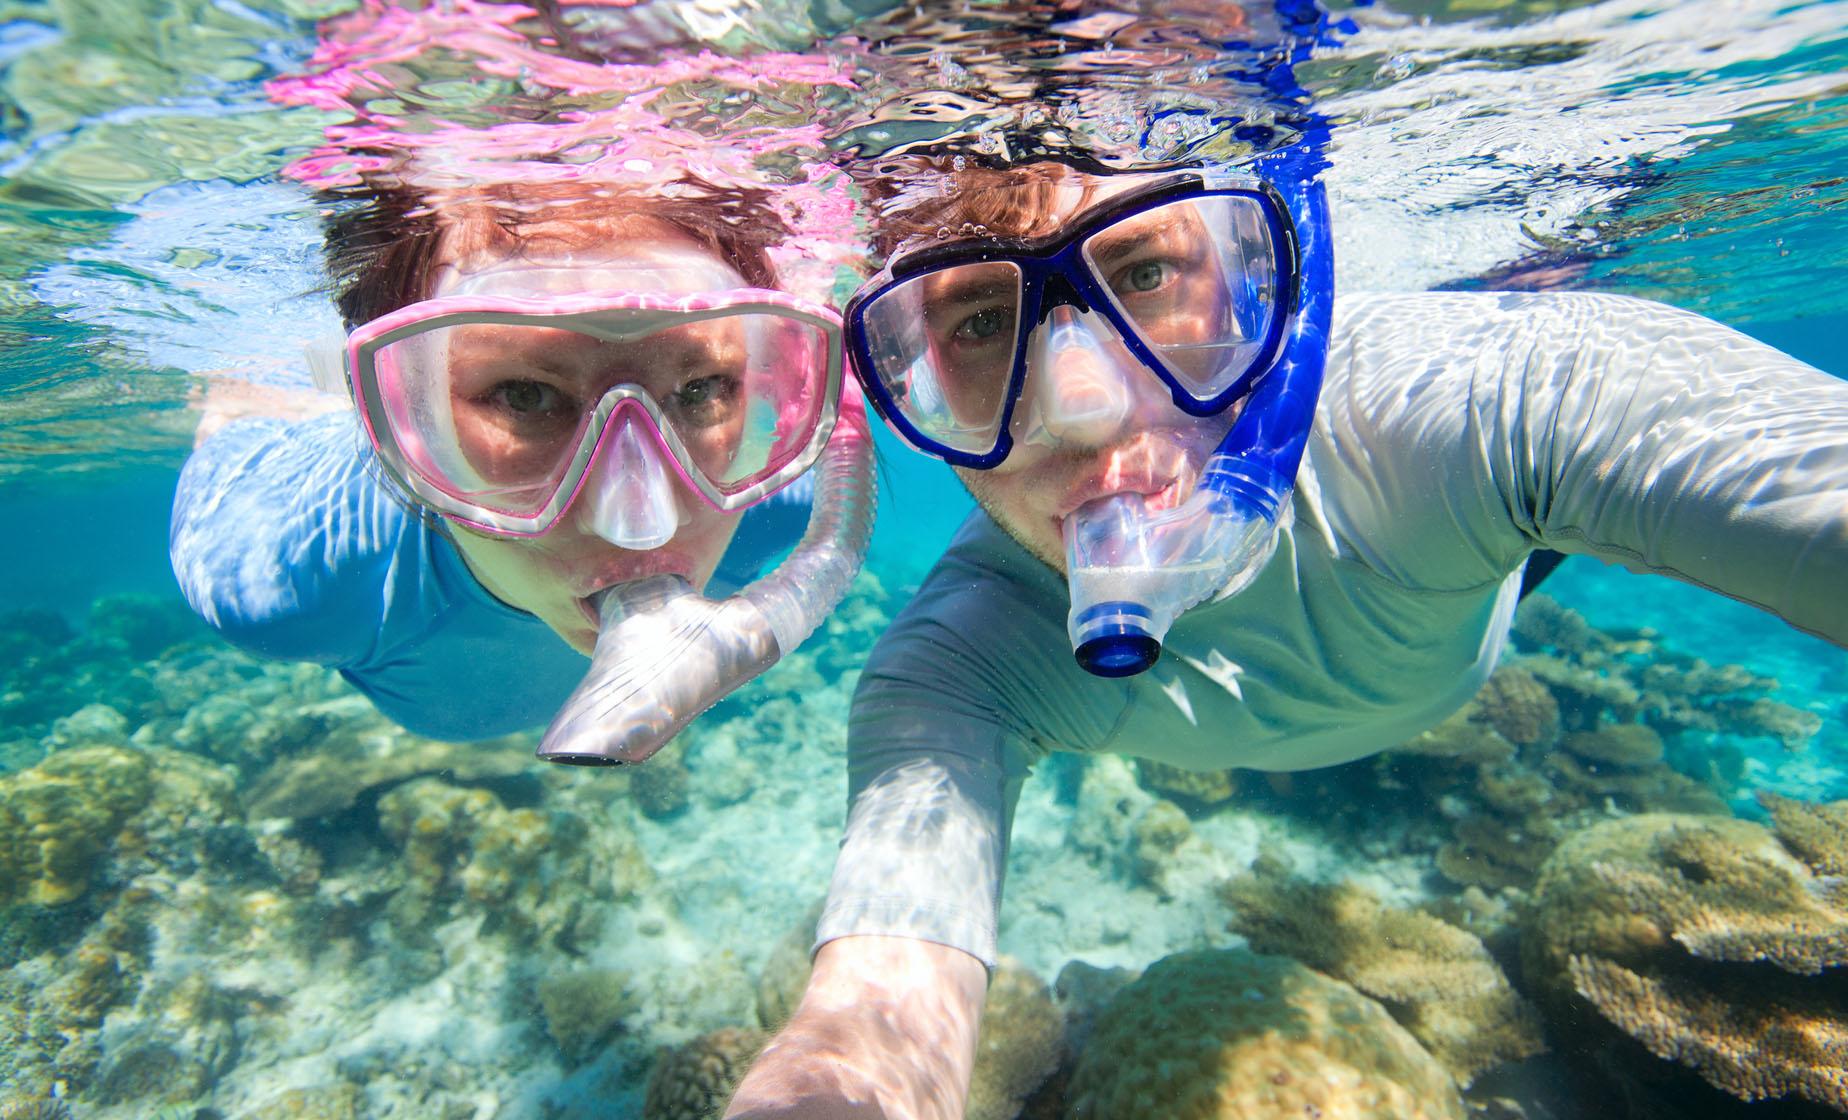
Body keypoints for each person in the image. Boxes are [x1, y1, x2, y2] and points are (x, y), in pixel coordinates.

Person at [722, 152, 1848, 1119]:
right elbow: (868, 1032)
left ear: (1260, 278)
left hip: (1480, 571)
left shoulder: (1463, 407)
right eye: (977, 321)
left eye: (1149, 271)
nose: (1084, 406)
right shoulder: (958, 668)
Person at [169, 173, 871, 758]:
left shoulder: (773, 497)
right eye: (527, 396)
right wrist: (236, 404)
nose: (642, 525)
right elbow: (229, 444)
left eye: (702, 389)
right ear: (390, 410)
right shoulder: (292, 579)